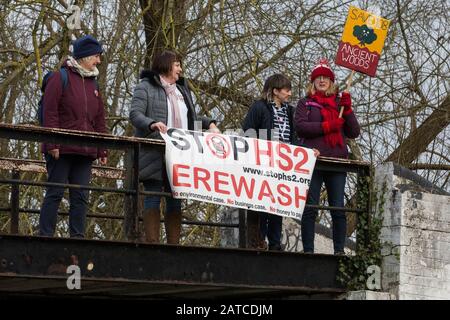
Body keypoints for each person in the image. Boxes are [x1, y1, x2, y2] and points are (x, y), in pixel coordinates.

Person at [129, 50, 218, 244]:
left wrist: (210, 123)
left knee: (175, 197)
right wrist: (152, 123)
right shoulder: (145, 87)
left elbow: (191, 120)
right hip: (154, 151)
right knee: (153, 195)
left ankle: (174, 246)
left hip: (180, 154)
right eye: (177, 65)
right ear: (167, 65)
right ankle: (153, 244)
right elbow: (135, 114)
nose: (180, 69)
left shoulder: (182, 90)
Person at [39, 35, 107, 238]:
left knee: (81, 197)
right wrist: (52, 143)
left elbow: (100, 119)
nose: (98, 61)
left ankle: (77, 240)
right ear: (85, 56)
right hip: (61, 149)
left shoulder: (94, 84)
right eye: (96, 56)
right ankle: (46, 236)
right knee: (55, 193)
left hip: (85, 151)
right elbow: (49, 112)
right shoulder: (60, 78)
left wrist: (102, 148)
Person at [242, 74, 319, 251]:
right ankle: (258, 241)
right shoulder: (259, 107)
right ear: (275, 91)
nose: (290, 93)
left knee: (278, 203)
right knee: (261, 202)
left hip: (283, 165)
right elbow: (248, 131)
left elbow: (293, 138)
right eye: (286, 90)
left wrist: (307, 151)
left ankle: (275, 243)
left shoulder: (289, 111)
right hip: (262, 162)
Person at [294, 59, 360, 255]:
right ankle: (308, 251)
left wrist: (347, 111)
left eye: (326, 77)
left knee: (337, 209)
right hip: (314, 162)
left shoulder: (340, 102)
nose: (322, 80)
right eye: (318, 77)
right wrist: (328, 126)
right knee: (311, 207)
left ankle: (339, 251)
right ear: (313, 81)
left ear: (331, 81)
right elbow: (301, 127)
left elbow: (354, 131)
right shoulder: (305, 102)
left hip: (337, 163)